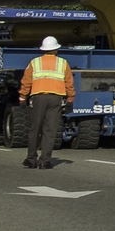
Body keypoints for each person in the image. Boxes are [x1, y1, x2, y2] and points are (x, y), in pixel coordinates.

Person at [20, 36, 73, 170]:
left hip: (38, 97)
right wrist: (70, 99)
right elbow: (69, 83)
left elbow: (26, 81)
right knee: (50, 130)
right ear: (55, 50)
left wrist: (22, 97)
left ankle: (31, 159)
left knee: (35, 128)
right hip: (56, 99)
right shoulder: (63, 63)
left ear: (43, 50)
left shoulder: (34, 62)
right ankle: (45, 161)